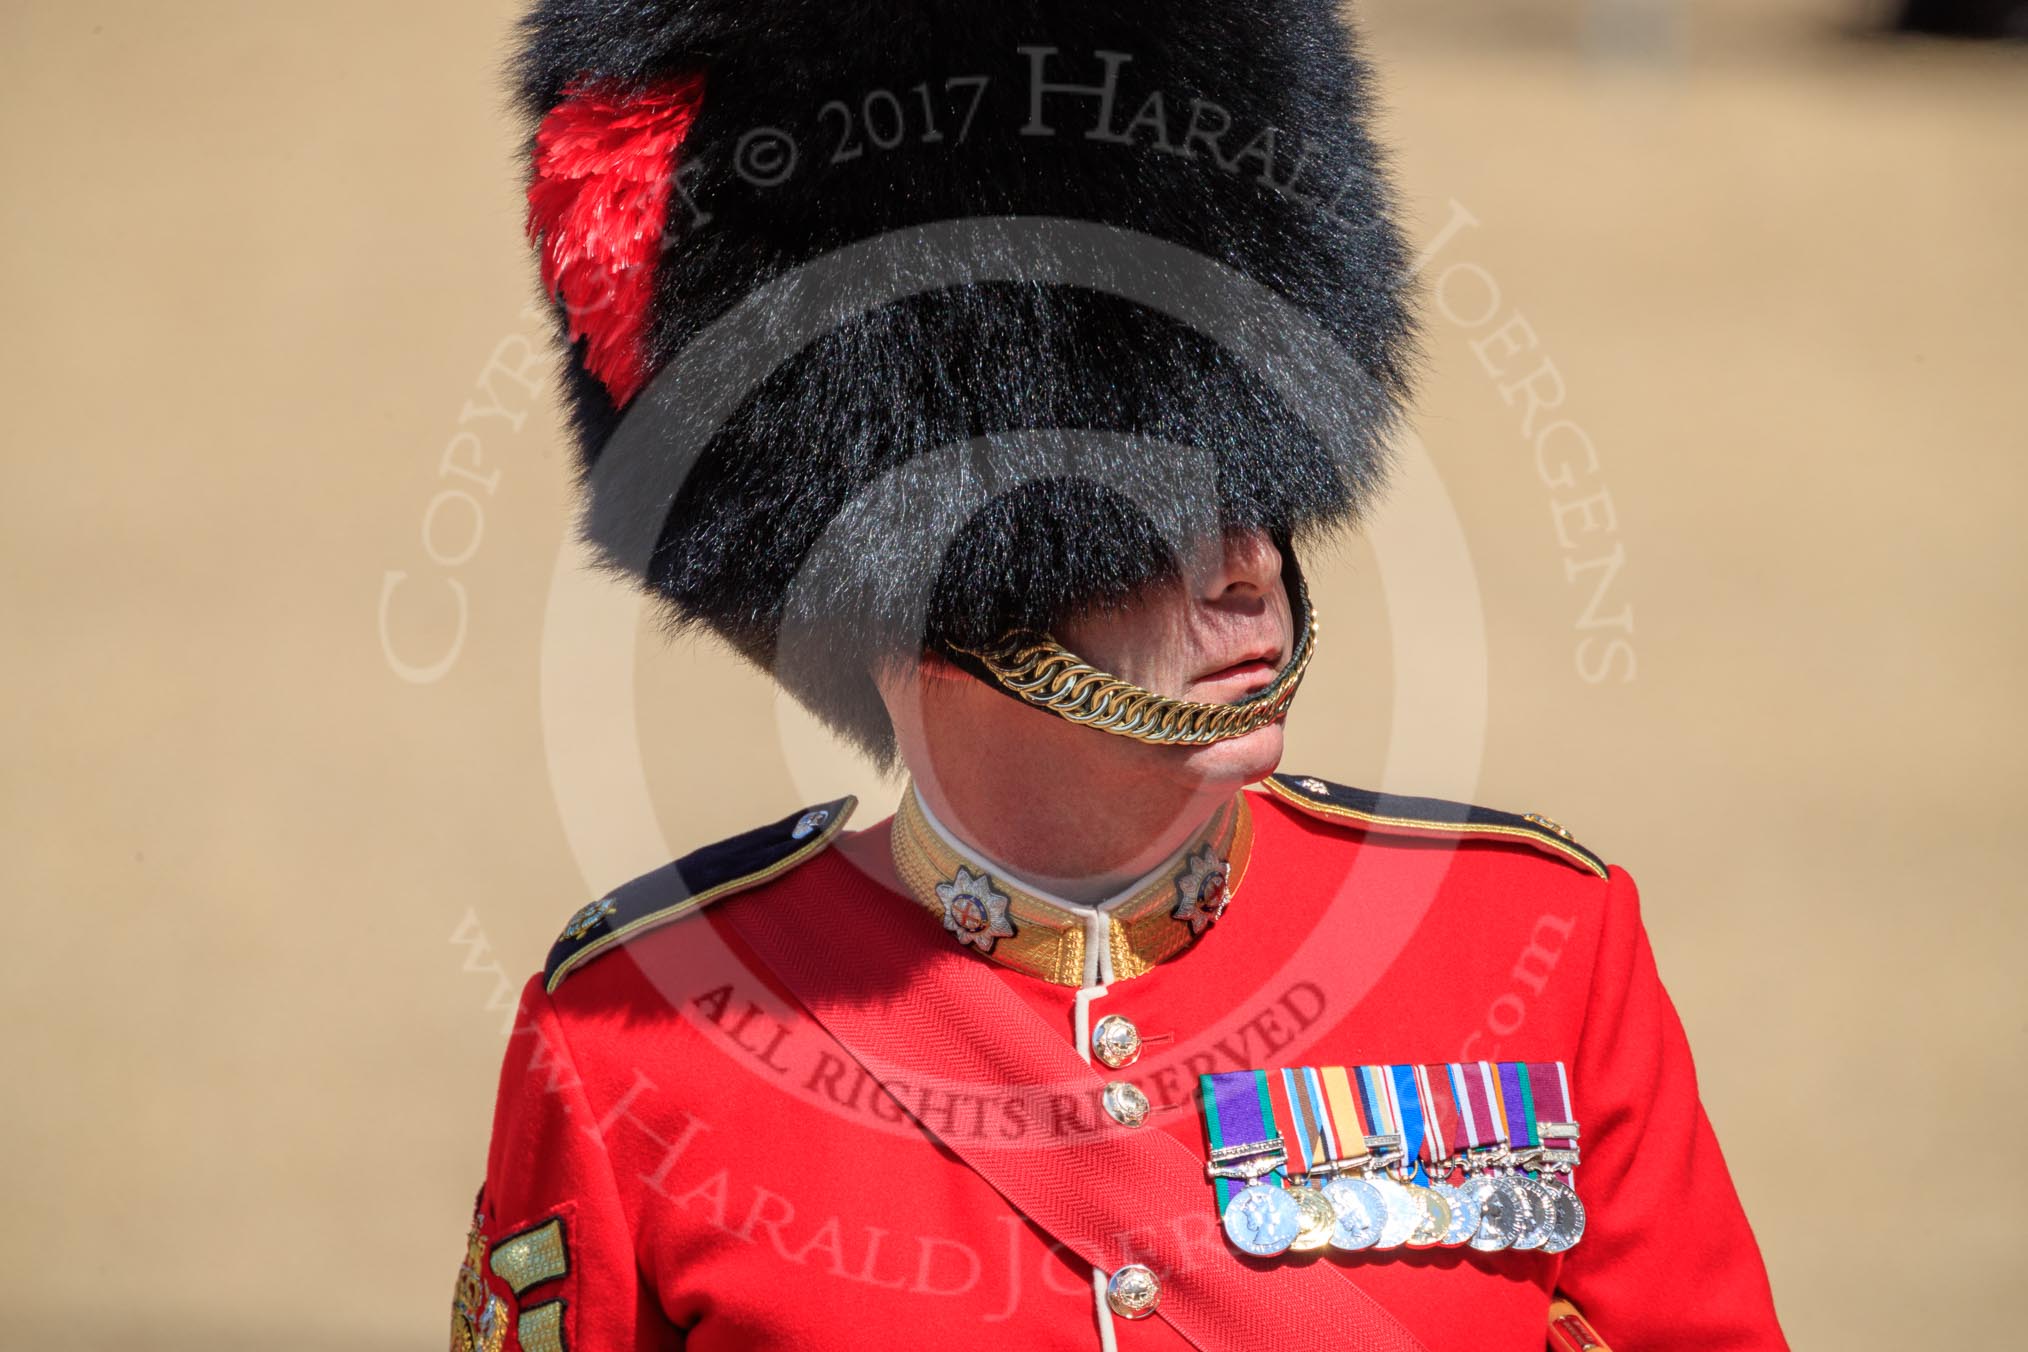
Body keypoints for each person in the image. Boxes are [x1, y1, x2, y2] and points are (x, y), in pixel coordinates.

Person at [453, 3, 1788, 1349]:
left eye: (1255, 485)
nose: (1251, 563)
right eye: (1150, 515)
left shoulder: (1535, 947)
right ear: (920, 577)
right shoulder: (636, 1041)